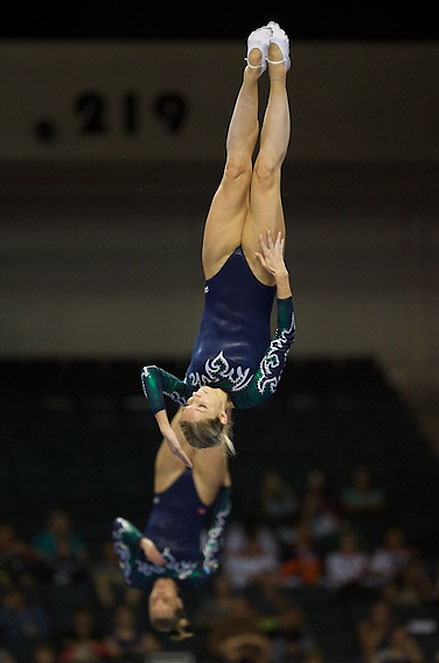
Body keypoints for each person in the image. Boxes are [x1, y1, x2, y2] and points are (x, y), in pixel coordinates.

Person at [141, 20, 295, 465]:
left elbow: (150, 373)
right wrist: (282, 277)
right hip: (264, 271)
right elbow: (283, 335)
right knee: (266, 174)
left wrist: (164, 425)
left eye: (187, 405)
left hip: (218, 267)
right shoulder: (253, 392)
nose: (194, 398)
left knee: (234, 170)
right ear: (224, 417)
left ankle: (250, 74)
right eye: (200, 406)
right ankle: (280, 75)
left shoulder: (186, 388)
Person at [112, 407, 232, 638]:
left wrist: (143, 542)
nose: (158, 594)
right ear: (178, 603)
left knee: (189, 407)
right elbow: (218, 530)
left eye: (154, 601)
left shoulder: (135, 575)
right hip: (203, 491)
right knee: (219, 410)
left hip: (166, 484)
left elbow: (118, 527)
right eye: (164, 600)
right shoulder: (197, 575)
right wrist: (225, 491)